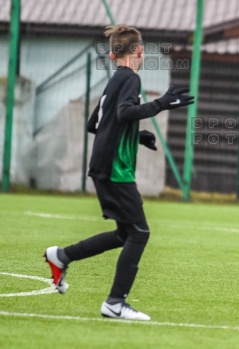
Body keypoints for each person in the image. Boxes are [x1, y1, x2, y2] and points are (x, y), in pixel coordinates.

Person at [44, 24, 194, 320]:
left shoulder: (116, 80)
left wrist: (136, 136)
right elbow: (124, 113)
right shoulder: (130, 79)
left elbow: (96, 124)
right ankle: (115, 302)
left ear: (113, 54)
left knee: (125, 233)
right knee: (140, 232)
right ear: (139, 51)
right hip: (114, 170)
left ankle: (62, 256)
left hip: (105, 167)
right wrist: (162, 103)